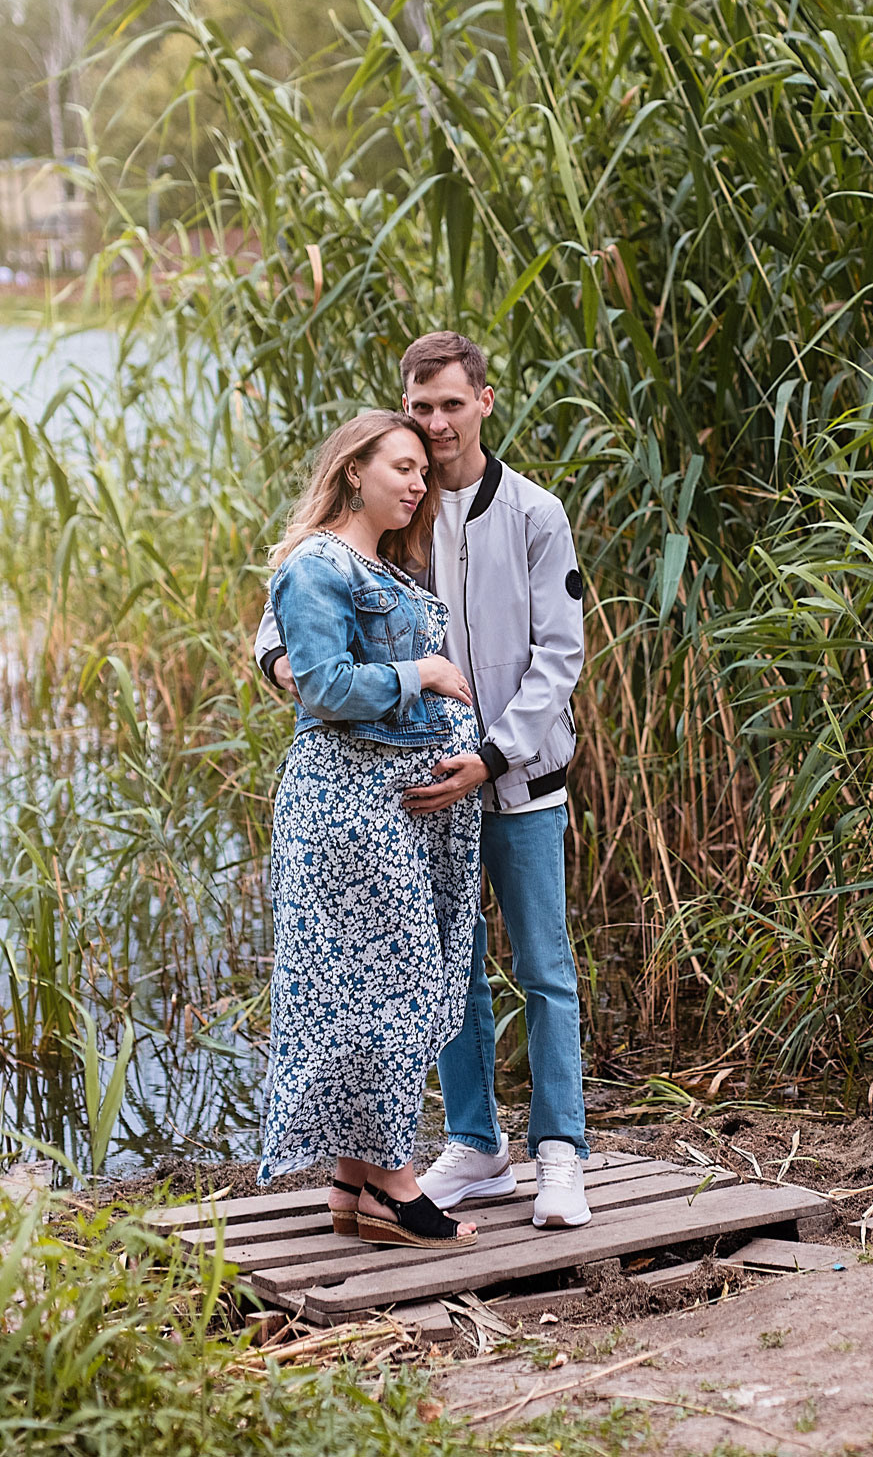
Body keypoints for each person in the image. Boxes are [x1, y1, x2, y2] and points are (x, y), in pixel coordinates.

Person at [257, 331, 591, 1227]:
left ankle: (560, 1150)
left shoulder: (532, 512)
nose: (435, 424)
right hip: (409, 798)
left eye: (450, 403)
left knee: (544, 967)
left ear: (484, 399)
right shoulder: (393, 511)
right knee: (451, 969)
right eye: (419, 408)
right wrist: (286, 665)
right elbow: (294, 603)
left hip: (513, 778)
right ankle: (476, 1147)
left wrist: (490, 754)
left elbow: (560, 656)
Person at [255, 409, 486, 1249]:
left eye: (423, 471)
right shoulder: (319, 563)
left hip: (388, 807)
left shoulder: (374, 562)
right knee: (391, 985)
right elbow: (320, 684)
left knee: (376, 987)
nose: (417, 482)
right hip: (349, 807)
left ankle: (352, 1186)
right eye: (400, 466)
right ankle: (394, 1180)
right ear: (354, 469)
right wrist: (420, 670)